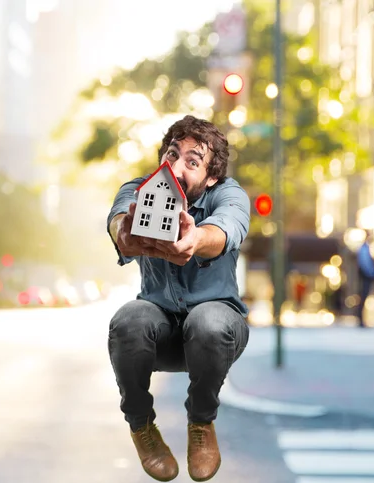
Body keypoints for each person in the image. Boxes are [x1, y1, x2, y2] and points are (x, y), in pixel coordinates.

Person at [107, 115, 250, 482]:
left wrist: (196, 239)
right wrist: (126, 230)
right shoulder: (139, 190)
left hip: (218, 331)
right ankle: (141, 427)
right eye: (173, 154)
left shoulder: (228, 194)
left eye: (192, 161)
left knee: (208, 321)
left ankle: (201, 423)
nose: (177, 166)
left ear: (211, 176)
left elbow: (226, 230)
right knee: (129, 319)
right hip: (161, 331)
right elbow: (118, 222)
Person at [356, 232, 374, 327]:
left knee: (363, 297)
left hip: (366, 275)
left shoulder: (366, 248)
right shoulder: (364, 249)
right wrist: (373, 273)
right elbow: (365, 264)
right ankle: (360, 319)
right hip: (366, 276)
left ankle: (361, 319)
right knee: (363, 297)